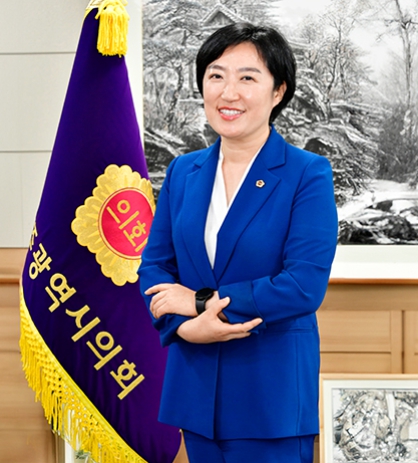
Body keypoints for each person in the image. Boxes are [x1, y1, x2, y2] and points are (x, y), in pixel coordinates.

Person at [138, 22, 338, 463]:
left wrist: (200, 302)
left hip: (270, 399)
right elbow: (154, 268)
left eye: (247, 77)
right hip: (195, 393)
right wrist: (183, 326)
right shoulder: (184, 172)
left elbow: (303, 286)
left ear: (278, 91)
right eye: (216, 75)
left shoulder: (307, 173)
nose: (228, 93)